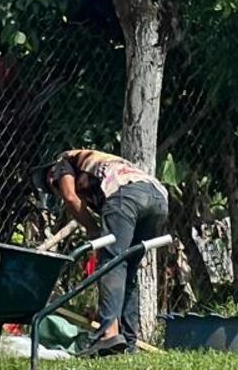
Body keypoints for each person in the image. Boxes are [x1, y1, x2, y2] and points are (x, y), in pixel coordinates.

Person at [43, 149, 169, 354]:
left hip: (126, 194)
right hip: (158, 198)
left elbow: (70, 197)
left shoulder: (62, 162)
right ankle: (129, 342)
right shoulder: (102, 162)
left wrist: (93, 231)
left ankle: (108, 334)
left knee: (111, 263)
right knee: (128, 268)